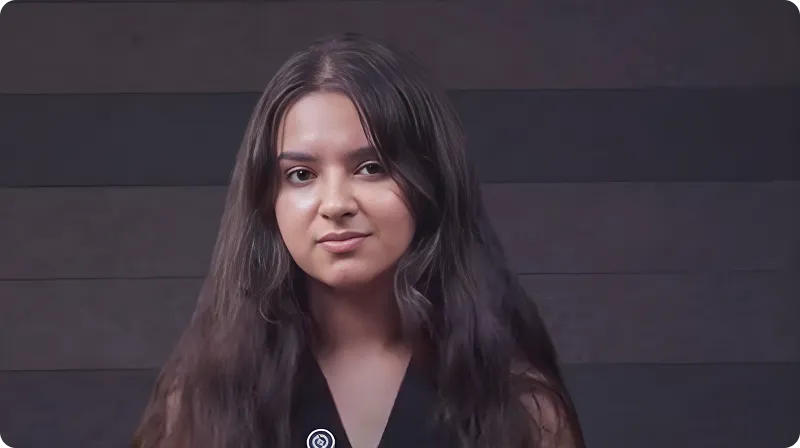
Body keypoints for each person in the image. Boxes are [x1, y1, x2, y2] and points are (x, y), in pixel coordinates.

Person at [131, 32, 585, 448]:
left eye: (371, 168)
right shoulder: (201, 404)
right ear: (267, 199)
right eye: (301, 174)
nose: (335, 204)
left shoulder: (521, 409)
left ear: (431, 182)